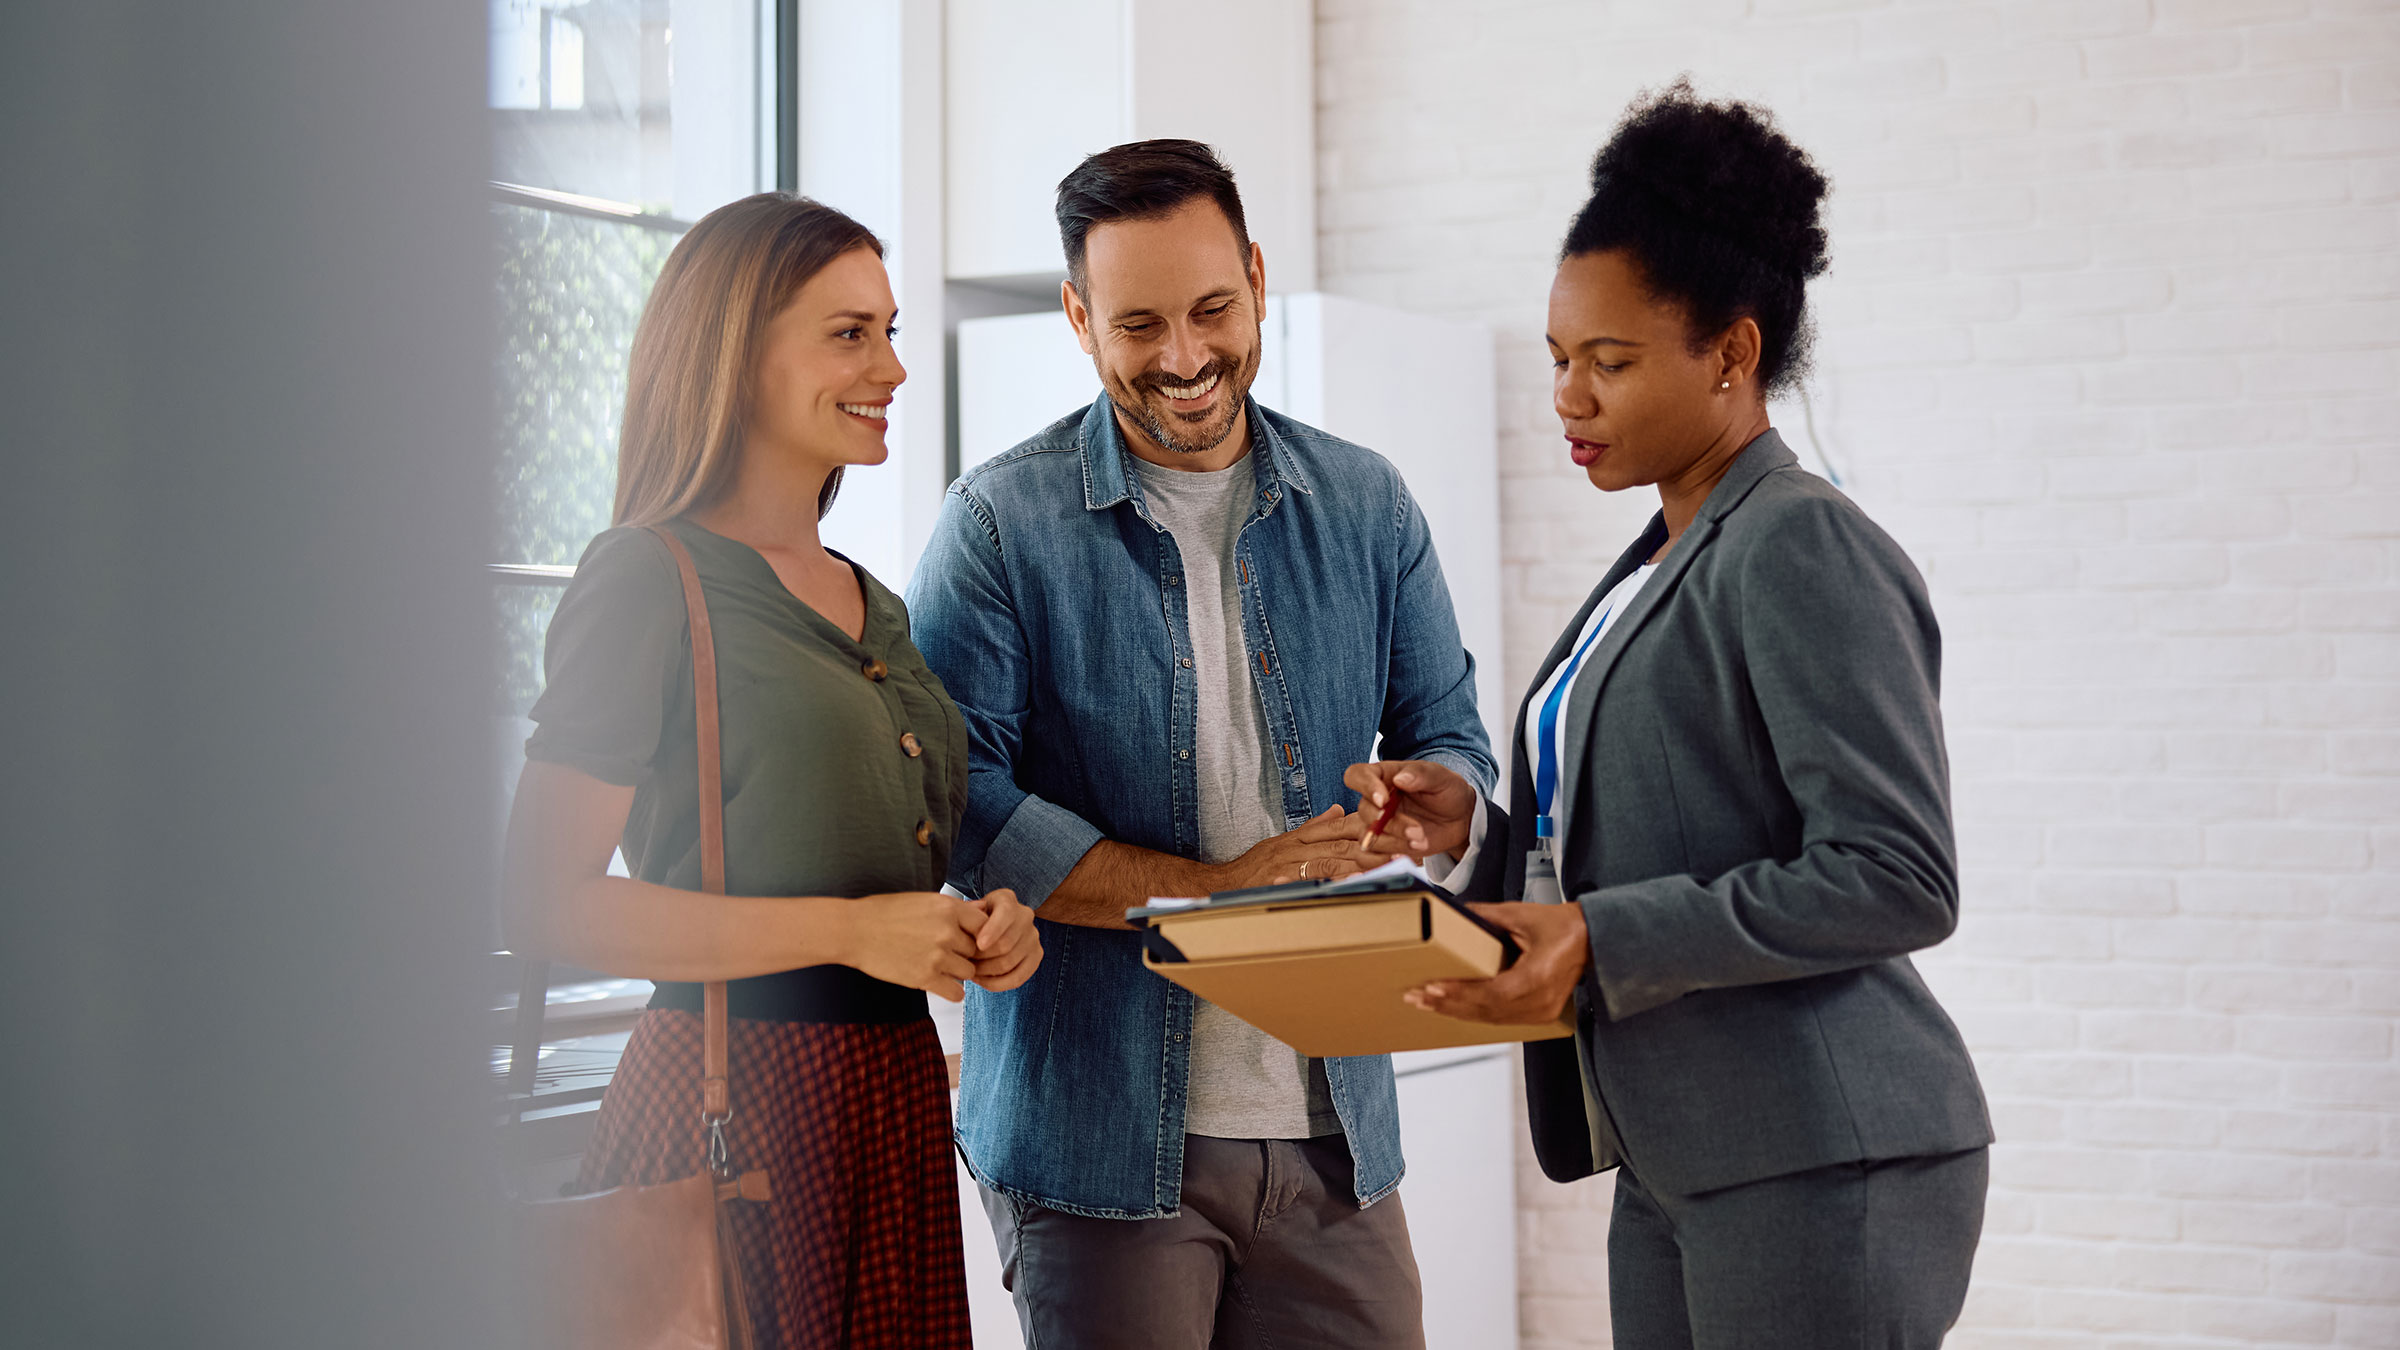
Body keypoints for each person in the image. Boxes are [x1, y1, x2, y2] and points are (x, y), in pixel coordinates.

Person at [1346, 82, 1994, 1348]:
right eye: (1558, 359)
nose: (1567, 399)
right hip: (1676, 1150)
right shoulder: (1663, 554)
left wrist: (1596, 938)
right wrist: (1469, 825)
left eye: (1611, 361)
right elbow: (1644, 816)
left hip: (1821, 1153)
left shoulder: (1798, 545)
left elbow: (1898, 874)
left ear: (1733, 355)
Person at [906, 140, 1495, 1349]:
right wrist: (1216, 893)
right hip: (1100, 1152)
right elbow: (962, 806)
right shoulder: (997, 527)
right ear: (1079, 317)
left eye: (1213, 309)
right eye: (1138, 324)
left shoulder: (1369, 503)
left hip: (1335, 1136)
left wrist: (1449, 801)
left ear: (1259, 278)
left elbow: (1452, 736)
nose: (1184, 358)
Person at [500, 193, 1043, 1349]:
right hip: (736, 1109)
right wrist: (850, 936)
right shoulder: (648, 577)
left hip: (888, 1104)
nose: (892, 365)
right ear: (735, 353)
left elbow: (870, 868)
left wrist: (982, 929)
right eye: (850, 333)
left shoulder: (874, 602)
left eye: (890, 330)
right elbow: (545, 900)